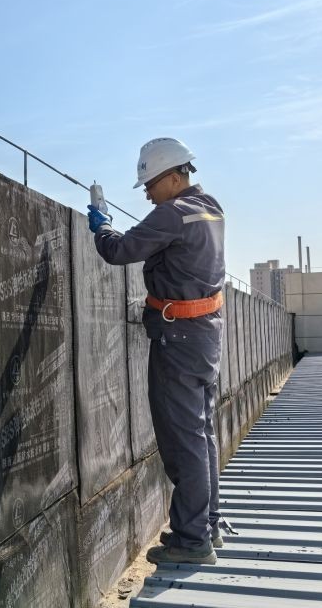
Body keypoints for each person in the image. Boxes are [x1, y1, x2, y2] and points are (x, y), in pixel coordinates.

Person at [88, 138, 225, 565]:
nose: (146, 193)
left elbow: (118, 251)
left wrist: (101, 223)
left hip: (179, 338)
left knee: (183, 440)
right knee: (202, 434)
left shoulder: (174, 214)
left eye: (149, 184)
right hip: (204, 334)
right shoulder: (211, 207)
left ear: (172, 176)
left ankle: (190, 541)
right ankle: (209, 525)